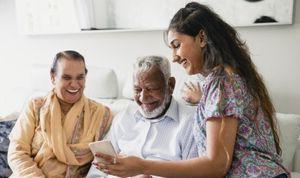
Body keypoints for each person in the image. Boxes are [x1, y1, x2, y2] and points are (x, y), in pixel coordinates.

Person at [95, 2, 289, 178]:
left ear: (202, 38)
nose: (174, 57)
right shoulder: (221, 81)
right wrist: (202, 100)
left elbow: (216, 165)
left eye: (177, 45)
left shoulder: (222, 83)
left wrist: (143, 166)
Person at [88, 55, 197, 178]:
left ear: (170, 85)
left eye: (150, 89)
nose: (143, 98)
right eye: (137, 89)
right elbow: (96, 172)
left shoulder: (190, 121)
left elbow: (194, 174)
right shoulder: (124, 117)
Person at [8, 50, 112, 177]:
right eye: (66, 77)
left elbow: (107, 163)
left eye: (80, 77)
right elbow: (17, 152)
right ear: (53, 77)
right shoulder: (36, 107)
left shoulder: (101, 114)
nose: (74, 84)